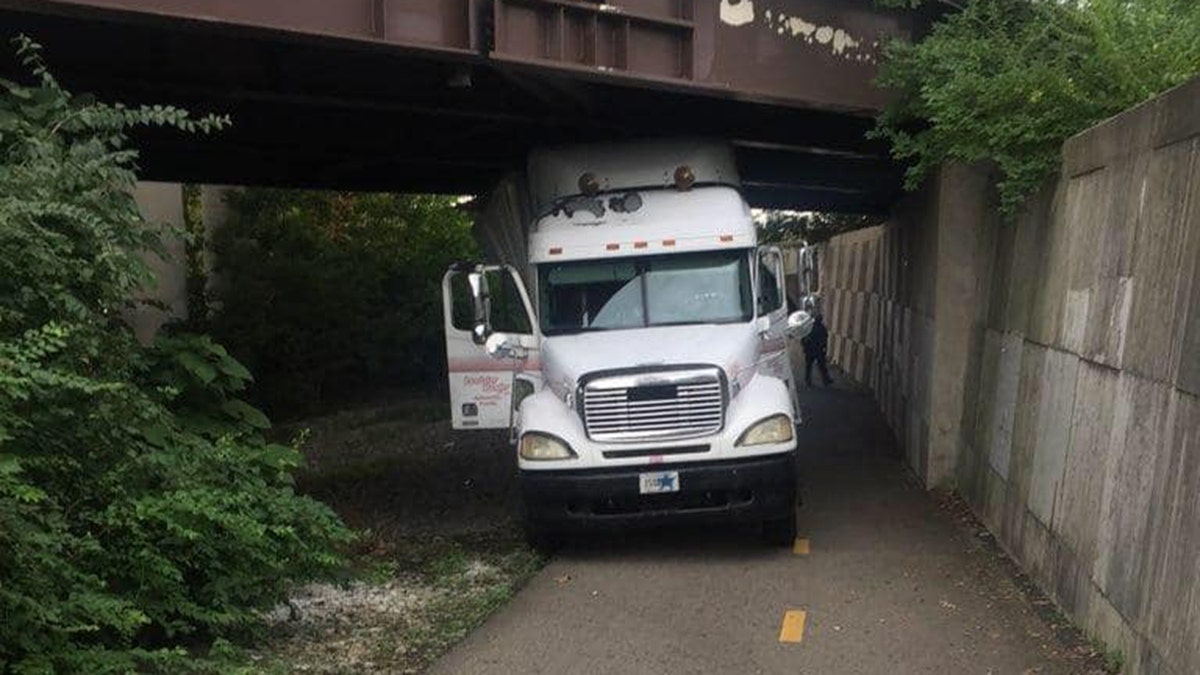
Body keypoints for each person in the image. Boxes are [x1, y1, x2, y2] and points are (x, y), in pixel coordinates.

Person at [801, 313, 833, 387]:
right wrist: (825, 349)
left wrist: (804, 347)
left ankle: (808, 380)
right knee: (821, 366)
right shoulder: (822, 328)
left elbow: (803, 338)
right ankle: (826, 380)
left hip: (810, 350)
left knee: (809, 366)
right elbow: (825, 340)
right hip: (818, 350)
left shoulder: (810, 327)